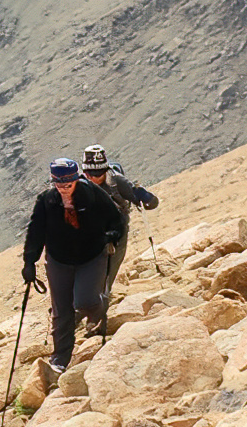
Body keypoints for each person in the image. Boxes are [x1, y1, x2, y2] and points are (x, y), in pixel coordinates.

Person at [22, 157, 123, 373]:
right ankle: (60, 358)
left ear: (76, 179)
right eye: (59, 185)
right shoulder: (47, 201)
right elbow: (35, 232)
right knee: (62, 310)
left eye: (68, 185)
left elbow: (115, 218)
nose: (63, 189)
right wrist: (29, 261)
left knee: (85, 301)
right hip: (59, 260)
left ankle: (100, 307)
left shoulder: (93, 194)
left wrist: (112, 235)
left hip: (91, 256)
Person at [83, 144, 160, 314]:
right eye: (89, 174)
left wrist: (143, 196)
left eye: (98, 174)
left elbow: (151, 204)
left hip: (116, 235)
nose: (93, 178)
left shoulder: (117, 181)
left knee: (105, 279)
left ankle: (93, 319)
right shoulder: (77, 184)